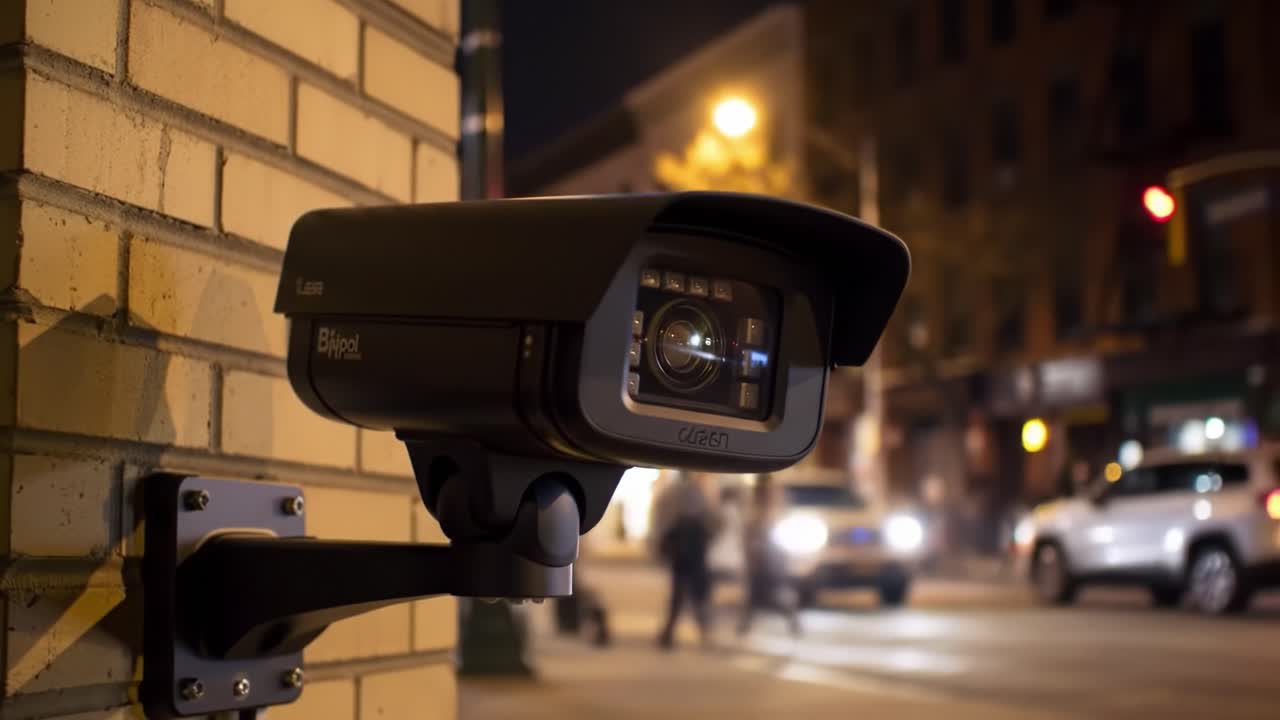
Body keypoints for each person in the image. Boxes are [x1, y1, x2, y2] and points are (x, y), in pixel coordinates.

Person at [651, 471, 720, 650]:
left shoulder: (673, 493)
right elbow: (711, 521)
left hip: (685, 551)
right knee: (694, 593)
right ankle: (695, 633)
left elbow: (662, 522)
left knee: (682, 593)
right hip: (691, 550)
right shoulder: (695, 494)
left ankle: (671, 634)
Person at [737, 478, 801, 637]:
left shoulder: (773, 510)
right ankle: (746, 625)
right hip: (763, 559)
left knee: (775, 593)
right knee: (757, 595)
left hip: (771, 560)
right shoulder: (757, 511)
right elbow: (748, 536)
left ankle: (793, 622)